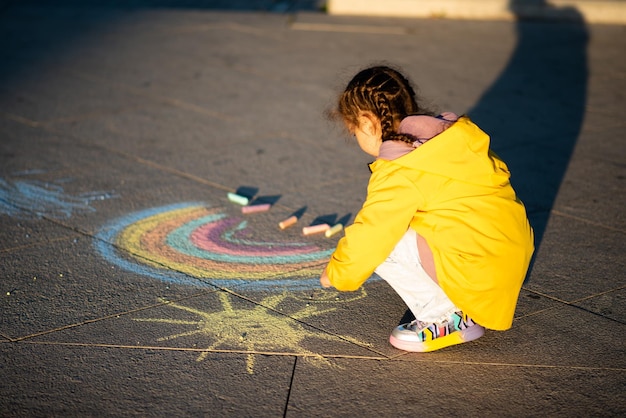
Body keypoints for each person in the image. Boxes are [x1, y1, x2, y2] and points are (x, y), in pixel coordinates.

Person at [320, 65, 534, 352]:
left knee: (387, 242)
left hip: (479, 268)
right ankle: (463, 301)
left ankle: (447, 318)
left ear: (368, 123)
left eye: (354, 130)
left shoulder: (400, 167)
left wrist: (338, 272)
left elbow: (373, 232)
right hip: (505, 258)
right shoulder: (449, 137)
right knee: (405, 222)